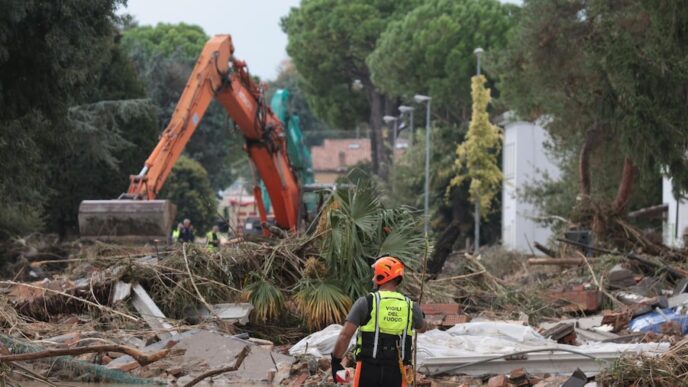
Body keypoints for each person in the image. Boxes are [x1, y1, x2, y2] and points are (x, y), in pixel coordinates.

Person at [331, 256, 432, 386]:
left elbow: (345, 335)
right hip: (398, 371)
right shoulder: (410, 305)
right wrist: (420, 314)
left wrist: (335, 361)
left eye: (375, 274)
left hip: (368, 370)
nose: (373, 279)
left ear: (382, 276)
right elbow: (422, 328)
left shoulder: (366, 302)